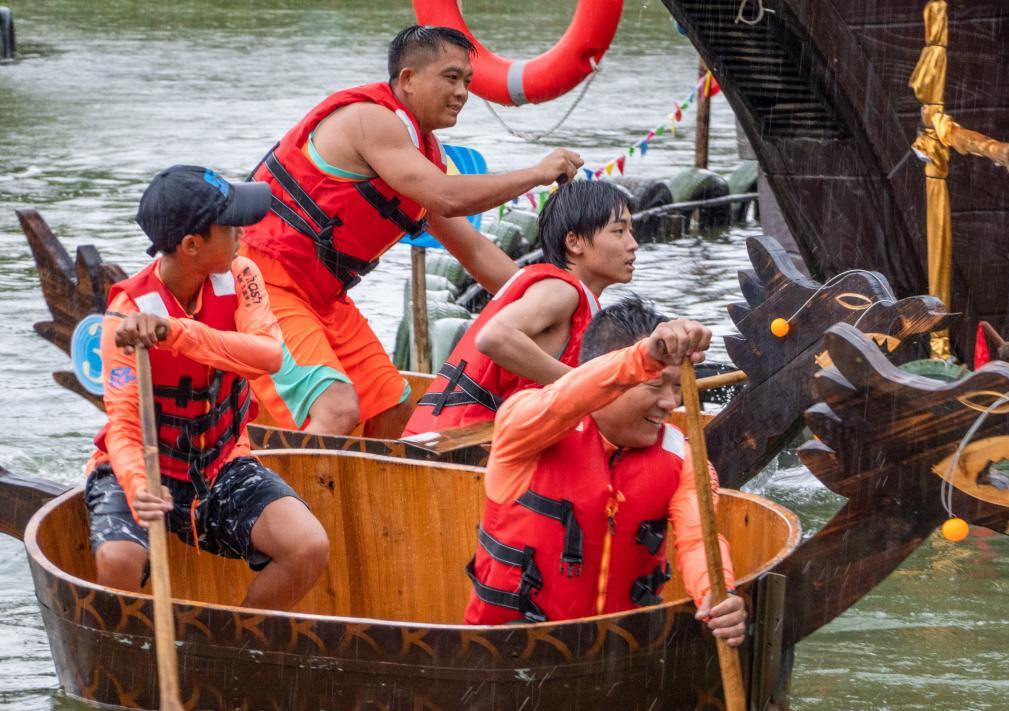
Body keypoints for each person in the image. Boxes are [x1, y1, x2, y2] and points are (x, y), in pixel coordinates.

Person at [241, 25, 584, 438]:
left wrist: (560, 301)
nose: (462, 93)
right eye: (451, 77)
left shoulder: (422, 157)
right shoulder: (370, 121)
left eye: (468, 82)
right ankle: (266, 501)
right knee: (336, 410)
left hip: (323, 299)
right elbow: (447, 197)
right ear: (408, 79)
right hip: (263, 284)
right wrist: (536, 174)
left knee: (395, 409)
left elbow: (473, 250)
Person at [86, 166, 329, 611]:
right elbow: (122, 424)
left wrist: (176, 333)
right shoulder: (124, 316)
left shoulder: (243, 273)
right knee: (118, 559)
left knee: (308, 545)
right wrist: (141, 486)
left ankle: (239, 650)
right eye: (230, 224)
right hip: (145, 469)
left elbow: (269, 355)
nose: (242, 232)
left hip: (222, 463)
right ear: (192, 245)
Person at [464, 297, 746, 647]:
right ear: (615, 376)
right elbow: (569, 396)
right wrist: (643, 357)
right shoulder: (524, 424)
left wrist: (718, 594)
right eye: (656, 384)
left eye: (676, 387)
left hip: (618, 657)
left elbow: (699, 539)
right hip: (508, 655)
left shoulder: (683, 458)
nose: (671, 403)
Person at [404, 180, 637, 436]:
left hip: (444, 435)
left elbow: (476, 250)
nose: (633, 244)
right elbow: (495, 337)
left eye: (631, 231)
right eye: (619, 231)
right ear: (574, 243)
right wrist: (583, 388)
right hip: (455, 445)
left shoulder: (555, 290)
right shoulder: (561, 291)